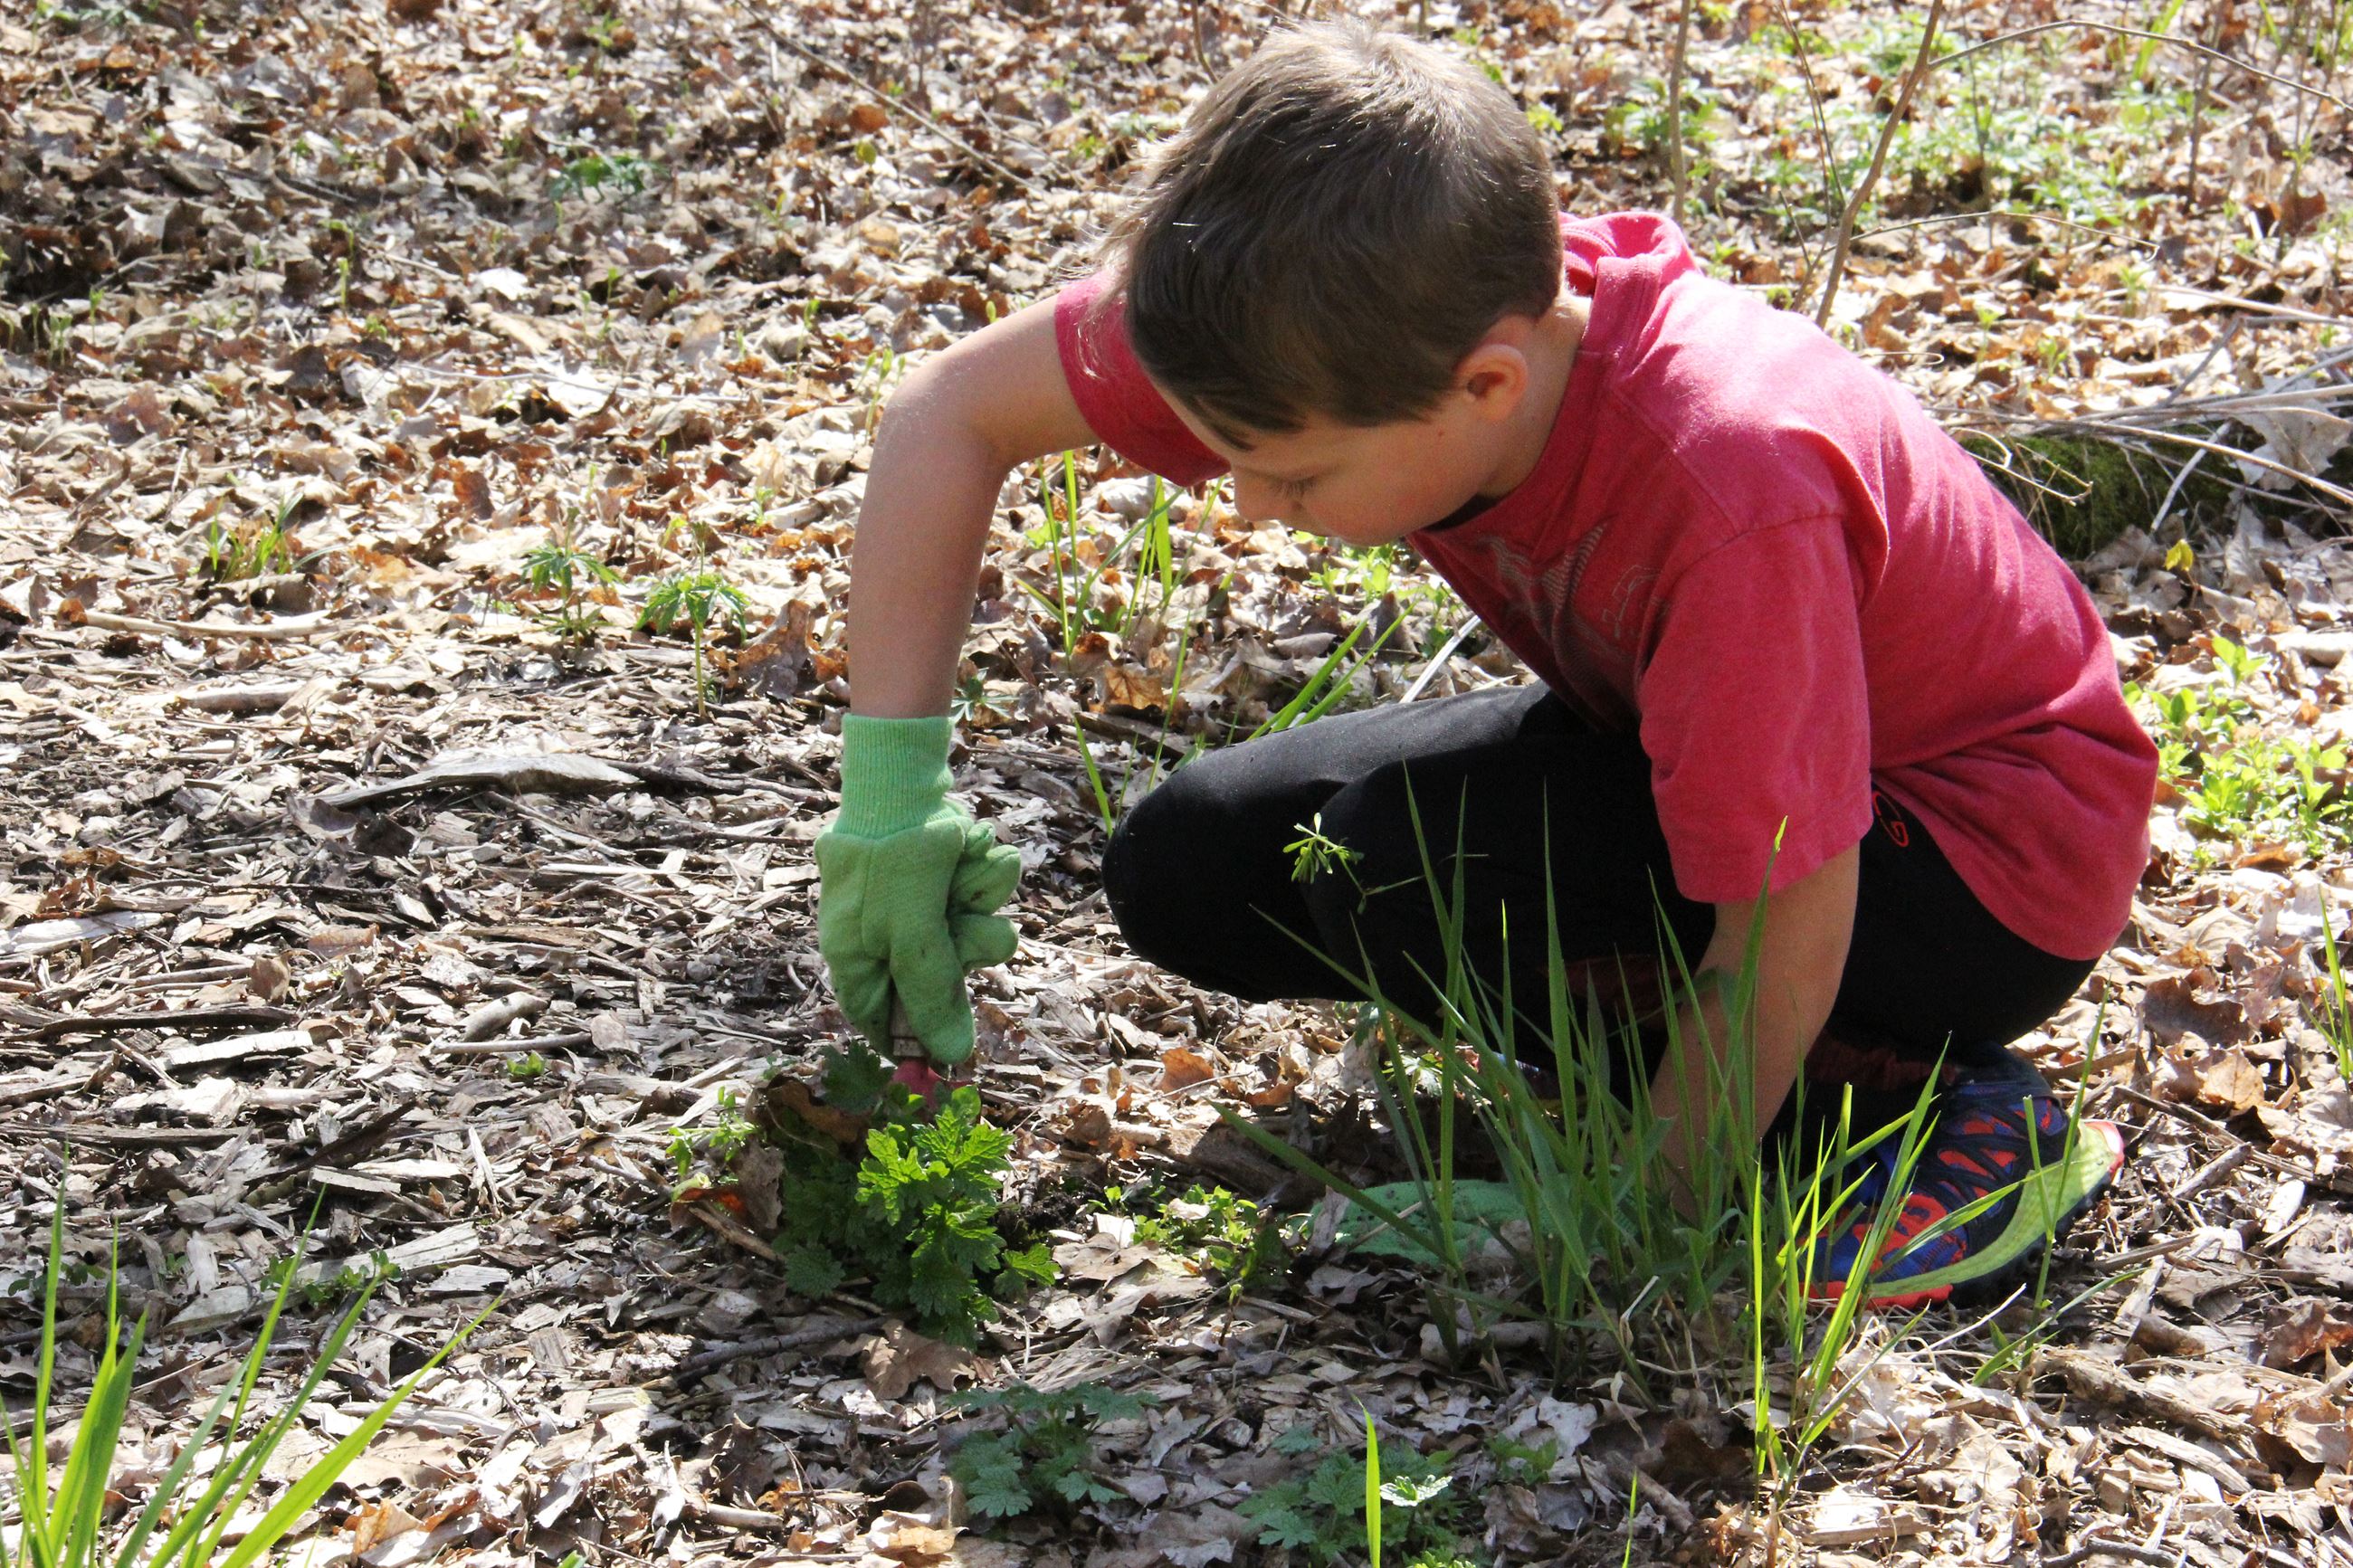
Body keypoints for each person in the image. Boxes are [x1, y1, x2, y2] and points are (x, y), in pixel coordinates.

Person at [813, 21, 2157, 1307]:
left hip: (1979, 865)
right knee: (1194, 865)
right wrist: (887, 803)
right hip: (1714, 747)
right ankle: (1677, 1071)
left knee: (1399, 864)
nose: (1246, 506)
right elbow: (951, 413)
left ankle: (1931, 1102)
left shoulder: (1728, 486)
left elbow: (1787, 913)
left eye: (1292, 472)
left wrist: (1634, 1216)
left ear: (1489, 388)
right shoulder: (1349, 311)